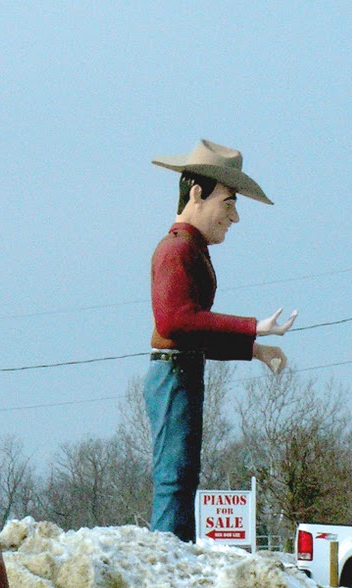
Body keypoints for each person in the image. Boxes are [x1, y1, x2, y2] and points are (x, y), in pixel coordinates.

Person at [146, 139, 296, 541]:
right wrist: (253, 328)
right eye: (228, 203)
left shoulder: (191, 250)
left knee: (182, 473)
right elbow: (175, 320)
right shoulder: (176, 251)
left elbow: (195, 330)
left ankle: (174, 550)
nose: (234, 216)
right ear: (197, 193)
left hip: (182, 371)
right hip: (173, 375)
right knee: (174, 476)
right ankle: (166, 553)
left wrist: (254, 349)